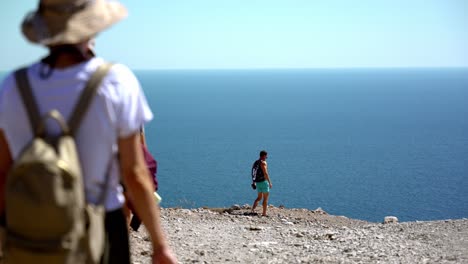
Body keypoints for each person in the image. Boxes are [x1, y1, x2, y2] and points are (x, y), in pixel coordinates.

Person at [0, 0, 177, 263]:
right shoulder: (116, 81)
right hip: (101, 226)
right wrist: (160, 246)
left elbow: (4, 172)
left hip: (29, 228)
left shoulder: (13, 86)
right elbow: (134, 173)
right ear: (91, 28)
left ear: (45, 29)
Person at [251, 150, 272, 216]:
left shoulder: (256, 162)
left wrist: (254, 182)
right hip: (264, 182)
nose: (266, 157)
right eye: (266, 156)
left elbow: (253, 172)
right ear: (264, 156)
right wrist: (269, 182)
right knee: (265, 199)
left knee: (259, 197)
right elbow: (265, 173)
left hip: (258, 182)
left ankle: (252, 210)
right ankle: (264, 213)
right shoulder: (263, 163)